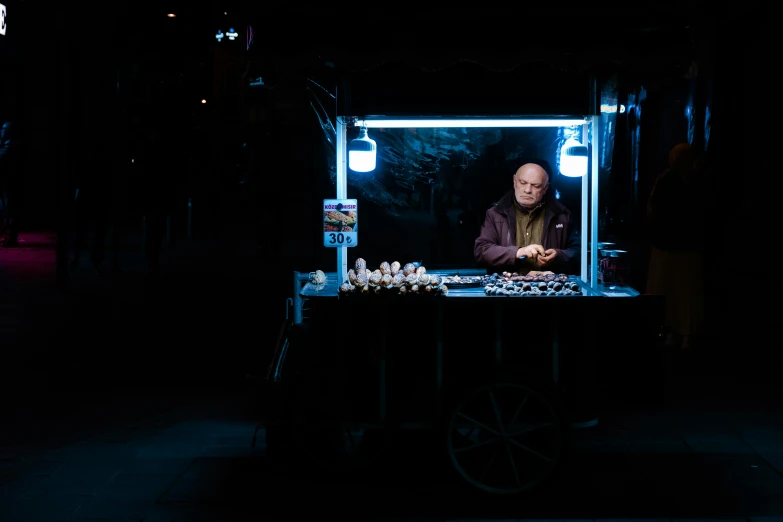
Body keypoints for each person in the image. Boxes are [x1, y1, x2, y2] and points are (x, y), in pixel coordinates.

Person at [645, 142, 705, 349]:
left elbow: (653, 212)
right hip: (683, 245)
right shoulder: (694, 182)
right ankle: (681, 332)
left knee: (667, 289)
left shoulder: (666, 181)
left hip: (669, 244)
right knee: (684, 291)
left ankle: (671, 331)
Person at [474, 161, 579, 275]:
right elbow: (481, 251)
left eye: (536, 185)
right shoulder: (496, 213)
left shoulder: (562, 215)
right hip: (506, 287)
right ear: (515, 182)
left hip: (550, 288)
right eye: (523, 183)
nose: (528, 190)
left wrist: (558, 256)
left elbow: (579, 253)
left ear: (545, 188)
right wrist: (518, 252)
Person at [0, 121, 23, 247]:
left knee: (10, 210)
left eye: (3, 129)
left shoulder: (11, 146)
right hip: (9, 183)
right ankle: (10, 236)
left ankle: (11, 237)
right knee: (8, 210)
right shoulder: (9, 145)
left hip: (10, 184)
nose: (1, 132)